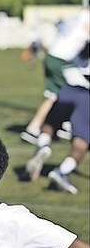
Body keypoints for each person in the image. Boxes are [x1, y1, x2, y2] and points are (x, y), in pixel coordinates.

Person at [20, 4, 90, 144]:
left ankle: (32, 129)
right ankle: (68, 124)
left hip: (53, 56)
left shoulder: (79, 15)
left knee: (53, 95)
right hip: (62, 60)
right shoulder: (86, 17)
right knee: (81, 90)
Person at [25, 42, 89, 194]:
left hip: (67, 91)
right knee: (80, 144)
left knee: (50, 124)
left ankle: (43, 144)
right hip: (86, 97)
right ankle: (62, 172)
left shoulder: (80, 52)